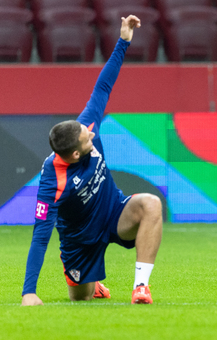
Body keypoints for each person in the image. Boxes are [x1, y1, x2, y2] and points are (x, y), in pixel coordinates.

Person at [21, 15, 163, 306]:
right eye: (86, 140)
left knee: (151, 203)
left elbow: (103, 87)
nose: (90, 135)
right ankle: (91, 282)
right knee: (81, 299)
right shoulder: (52, 181)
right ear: (74, 154)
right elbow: (40, 237)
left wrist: (123, 40)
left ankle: (140, 287)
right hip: (80, 242)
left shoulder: (87, 126)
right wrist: (29, 292)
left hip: (114, 213)